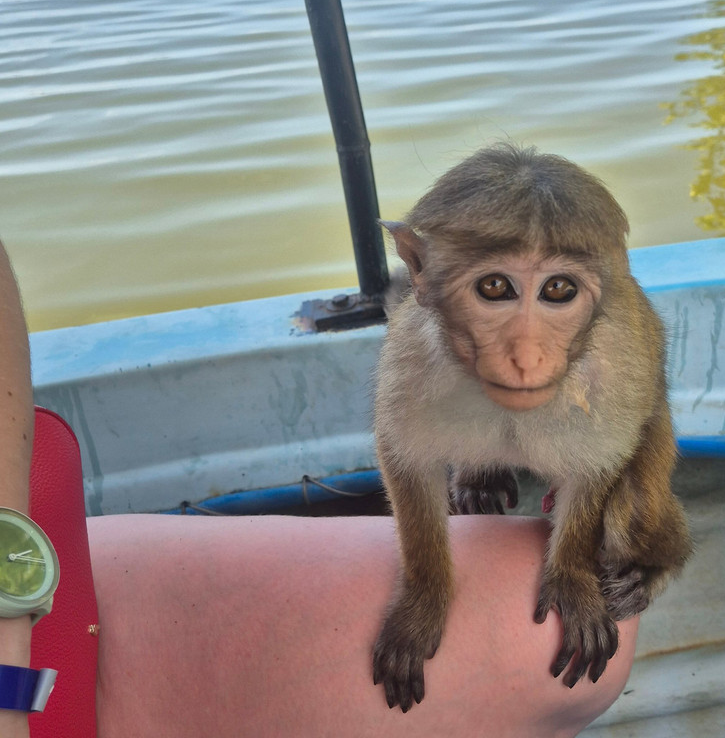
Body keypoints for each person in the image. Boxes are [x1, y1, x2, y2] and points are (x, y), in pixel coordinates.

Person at [0, 242, 638, 737]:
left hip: (35, 613)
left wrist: (8, 670)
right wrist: (425, 591)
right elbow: (406, 448)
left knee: (581, 628)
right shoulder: (431, 370)